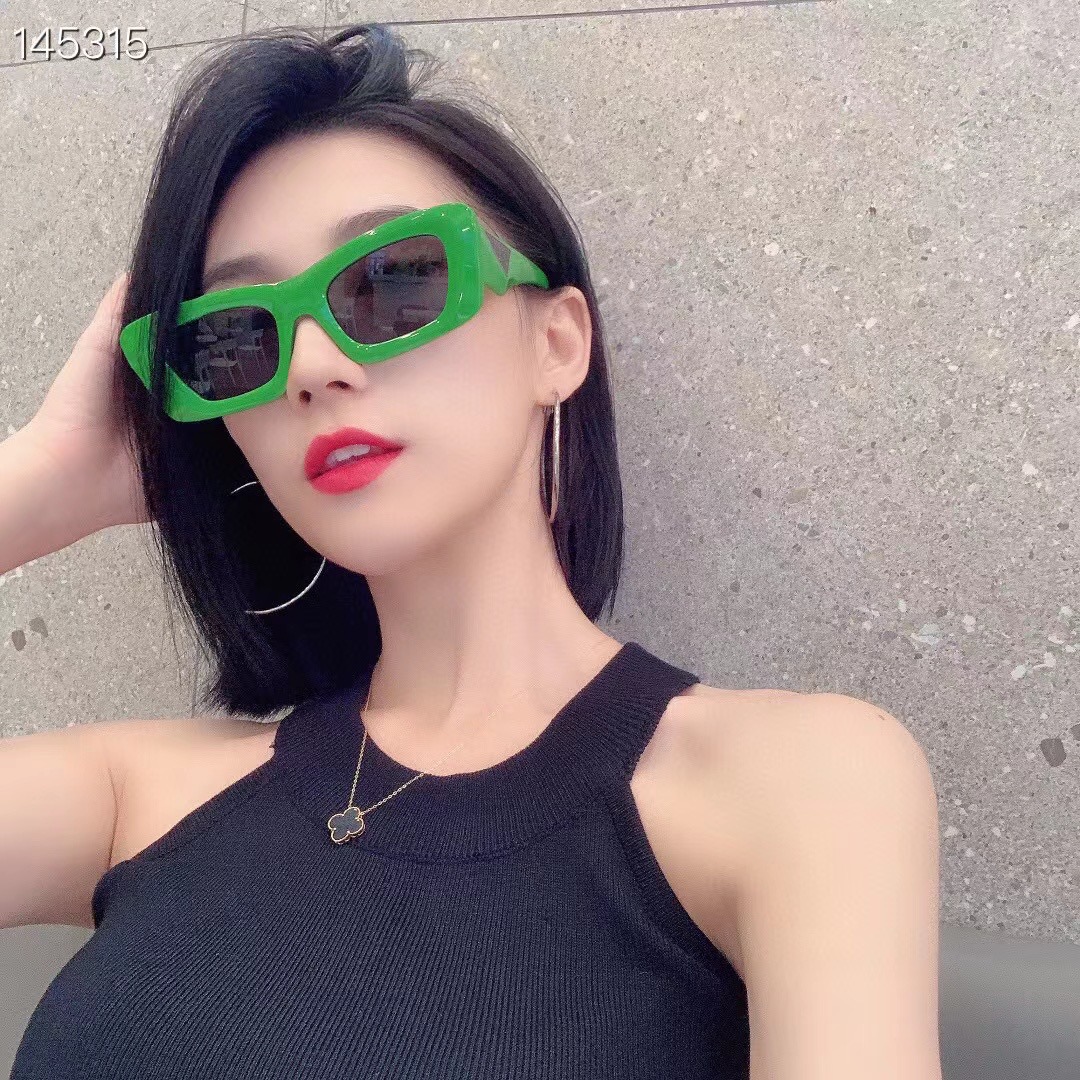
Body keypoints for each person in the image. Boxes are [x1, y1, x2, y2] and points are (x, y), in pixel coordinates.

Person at [0, 22, 944, 1080]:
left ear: (557, 342)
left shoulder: (789, 782)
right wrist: (39, 485)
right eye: (237, 337)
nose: (310, 363)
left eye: (392, 279)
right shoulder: (141, 794)